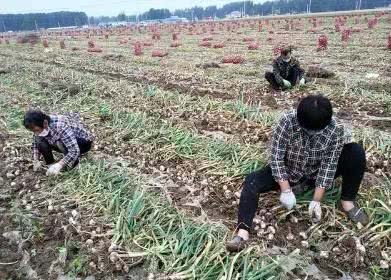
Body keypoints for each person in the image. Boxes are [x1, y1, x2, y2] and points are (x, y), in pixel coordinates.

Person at [226, 94, 369, 252]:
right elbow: (276, 157)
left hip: (315, 172)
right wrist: (286, 189)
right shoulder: (287, 121)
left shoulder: (335, 130)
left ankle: (347, 202)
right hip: (290, 171)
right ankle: (243, 232)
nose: (311, 134)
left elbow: (329, 165)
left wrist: (316, 200)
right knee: (252, 181)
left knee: (355, 152)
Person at [23, 110, 93, 176]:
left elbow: (74, 150)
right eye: (33, 131)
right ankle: (50, 164)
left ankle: (73, 164)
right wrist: (36, 159)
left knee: (60, 142)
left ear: (45, 123)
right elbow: (35, 143)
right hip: (66, 141)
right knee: (39, 139)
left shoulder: (60, 126)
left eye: (37, 130)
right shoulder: (40, 126)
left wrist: (60, 164)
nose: (36, 133)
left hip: (83, 143)